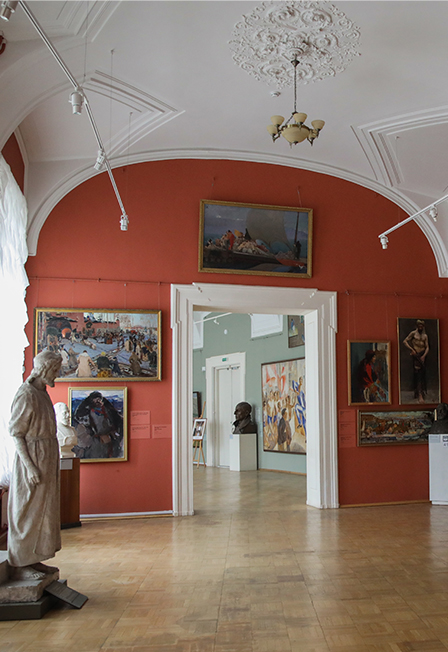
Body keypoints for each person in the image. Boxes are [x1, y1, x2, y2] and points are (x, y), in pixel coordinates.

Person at [7, 351, 62, 580]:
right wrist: (30, 467)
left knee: (43, 512)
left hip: (46, 457)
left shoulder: (42, 393)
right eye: (55, 370)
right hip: (32, 460)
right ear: (44, 369)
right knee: (27, 512)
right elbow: (16, 433)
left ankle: (34, 558)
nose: (57, 374)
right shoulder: (26, 394)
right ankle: (21, 563)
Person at [73, 391, 123, 459]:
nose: (98, 401)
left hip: (110, 440)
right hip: (94, 442)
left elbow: (117, 421)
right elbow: (82, 431)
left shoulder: (108, 410)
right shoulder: (85, 412)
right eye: (96, 399)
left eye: (99, 399)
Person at [403, 320, 429, 403]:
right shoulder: (413, 333)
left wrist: (424, 356)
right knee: (418, 374)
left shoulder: (425, 336)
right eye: (419, 326)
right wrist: (412, 349)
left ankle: (422, 391)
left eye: (422, 326)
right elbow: (405, 341)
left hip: (422, 355)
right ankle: (419, 394)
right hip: (416, 354)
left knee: (422, 373)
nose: (420, 327)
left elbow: (427, 347)